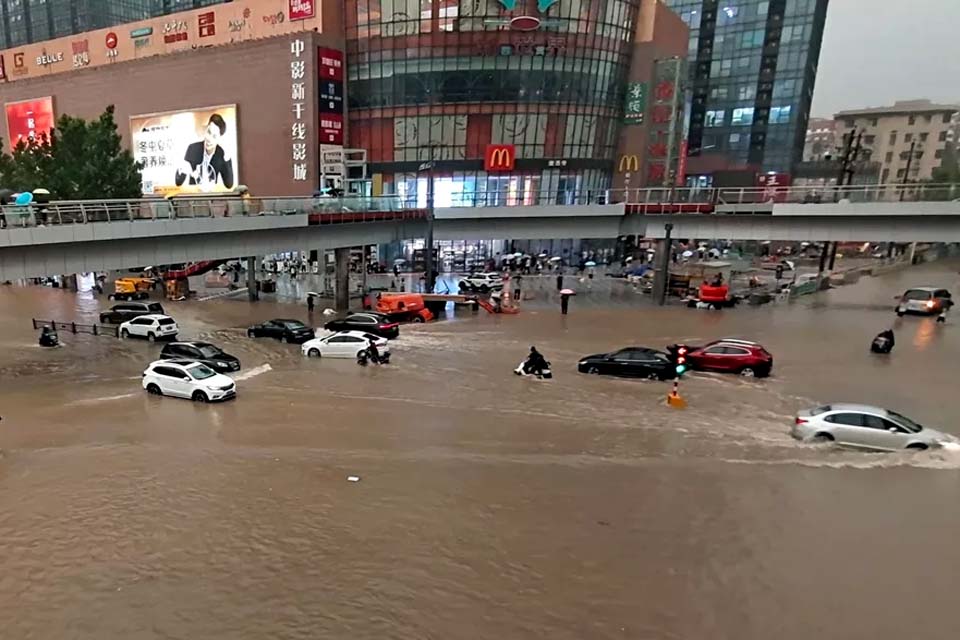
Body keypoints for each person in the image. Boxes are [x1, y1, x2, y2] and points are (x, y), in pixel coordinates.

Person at [175, 113, 235, 190]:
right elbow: (178, 182)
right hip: (193, 198)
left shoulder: (221, 154)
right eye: (209, 132)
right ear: (206, 129)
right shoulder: (193, 148)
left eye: (214, 136)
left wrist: (227, 157)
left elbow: (229, 185)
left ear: (219, 139)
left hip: (212, 199)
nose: (209, 138)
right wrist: (181, 169)